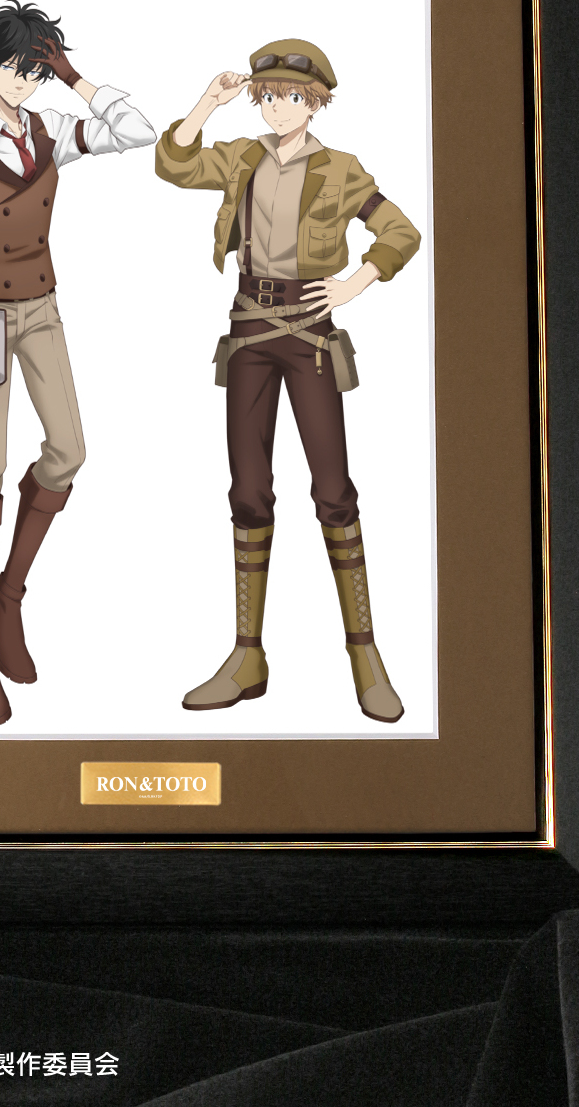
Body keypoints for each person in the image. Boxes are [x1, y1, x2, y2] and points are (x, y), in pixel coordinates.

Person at [154, 38, 421, 722]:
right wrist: (207, 103)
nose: (278, 108)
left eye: (292, 97)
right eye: (268, 96)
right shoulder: (242, 156)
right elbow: (174, 165)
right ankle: (247, 656)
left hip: (309, 336)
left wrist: (355, 283)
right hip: (248, 331)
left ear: (316, 102)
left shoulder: (340, 169)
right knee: (248, 492)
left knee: (333, 490)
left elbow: (400, 231)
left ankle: (365, 656)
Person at [0, 0, 155, 725]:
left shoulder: (51, 133)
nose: (23, 82)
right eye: (13, 68)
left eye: (34, 71)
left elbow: (136, 130)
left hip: (42, 307)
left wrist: (74, 77)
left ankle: (9, 595)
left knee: (69, 449)